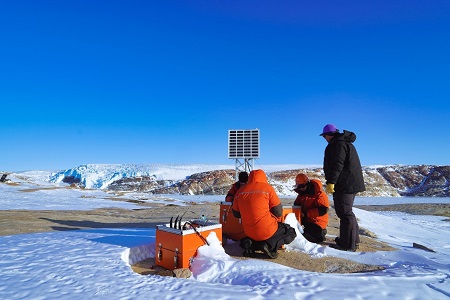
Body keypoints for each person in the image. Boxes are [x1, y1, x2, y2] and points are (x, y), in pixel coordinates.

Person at [320, 124, 366, 251]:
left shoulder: (338, 144)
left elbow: (337, 164)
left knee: (345, 213)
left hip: (344, 184)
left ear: (330, 134)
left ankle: (348, 245)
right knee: (347, 212)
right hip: (348, 183)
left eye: (324, 136)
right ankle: (352, 240)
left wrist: (331, 182)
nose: (324, 138)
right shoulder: (343, 142)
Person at [232, 169, 297, 259]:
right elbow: (278, 213)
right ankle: (269, 246)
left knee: (259, 235)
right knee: (290, 231)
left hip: (248, 231)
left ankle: (250, 244)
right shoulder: (267, 189)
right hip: (267, 229)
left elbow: (236, 214)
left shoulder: (240, 191)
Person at [293, 173, 329, 243]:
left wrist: (306, 214)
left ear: (307, 183)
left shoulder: (319, 194)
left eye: (302, 186)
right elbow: (296, 205)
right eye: (299, 187)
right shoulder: (301, 194)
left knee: (306, 237)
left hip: (317, 222)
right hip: (306, 220)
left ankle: (322, 232)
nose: (301, 189)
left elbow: (323, 210)